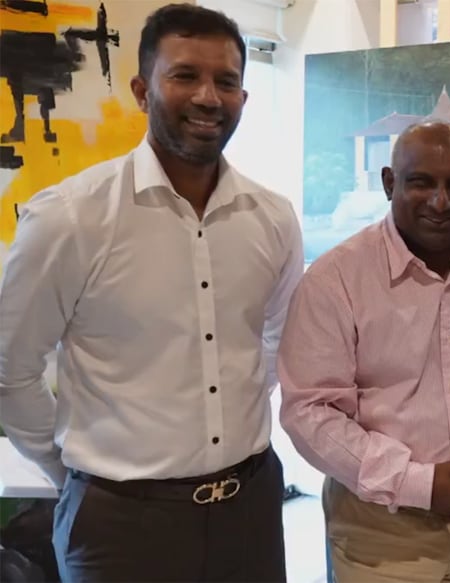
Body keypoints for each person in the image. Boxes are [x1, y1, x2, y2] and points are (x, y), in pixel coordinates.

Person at [0, 4, 301, 581]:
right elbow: (12, 372)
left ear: (244, 97)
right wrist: (78, 474)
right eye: (185, 75)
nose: (209, 96)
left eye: (227, 81)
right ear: (142, 90)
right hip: (120, 526)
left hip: (249, 508)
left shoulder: (273, 218)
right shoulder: (69, 219)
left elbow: (275, 340)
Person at [277, 121, 450, 583]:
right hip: (385, 534)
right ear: (389, 182)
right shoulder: (335, 281)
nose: (440, 201)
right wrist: (416, 484)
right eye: (421, 182)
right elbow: (309, 413)